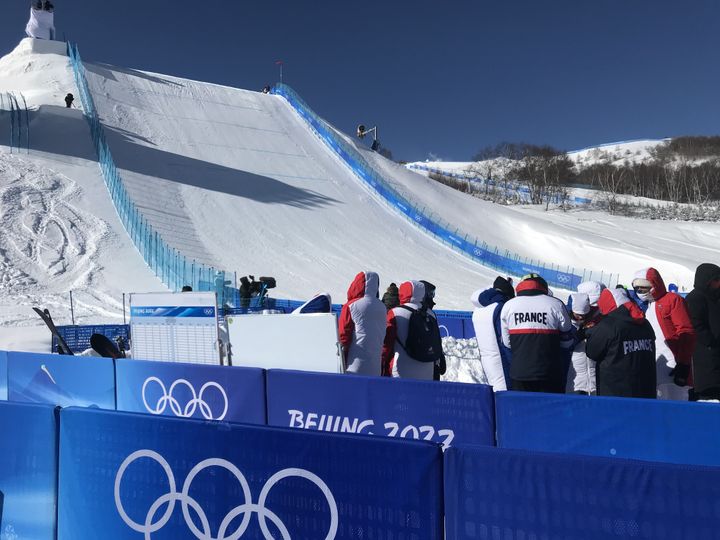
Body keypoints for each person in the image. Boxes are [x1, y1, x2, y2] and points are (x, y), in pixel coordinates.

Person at [499, 273, 573, 393]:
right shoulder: (556, 304)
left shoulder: (509, 306)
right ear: (543, 286)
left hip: (519, 373)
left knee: (523, 411)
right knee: (551, 411)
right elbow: (567, 342)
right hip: (549, 373)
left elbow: (507, 343)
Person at [631, 267, 696, 400]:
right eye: (637, 288)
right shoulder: (646, 305)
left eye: (644, 288)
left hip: (673, 365)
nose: (640, 292)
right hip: (654, 365)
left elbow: (686, 331)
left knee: (675, 407)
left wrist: (683, 364)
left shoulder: (672, 300)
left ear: (654, 285)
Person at [585, 288, 656, 398]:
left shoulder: (608, 325)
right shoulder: (645, 323)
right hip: (645, 390)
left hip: (615, 391)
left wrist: (591, 333)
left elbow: (592, 352)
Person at [382, 281, 442, 380]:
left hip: (400, 370)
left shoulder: (395, 312)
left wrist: (382, 363)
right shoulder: (430, 314)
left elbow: (386, 344)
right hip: (427, 371)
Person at [338, 271, 387, 376]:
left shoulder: (351, 306)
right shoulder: (383, 307)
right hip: (375, 366)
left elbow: (343, 337)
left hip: (354, 365)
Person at [470, 276, 514, 391]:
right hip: (503, 363)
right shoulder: (501, 307)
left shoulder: (479, 308)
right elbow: (506, 340)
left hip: (487, 362)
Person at [685, 263, 720, 402]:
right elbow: (695, 323)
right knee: (709, 394)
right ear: (707, 281)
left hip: (715, 353)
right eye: (716, 280)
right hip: (705, 355)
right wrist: (711, 342)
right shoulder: (696, 298)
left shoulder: (715, 297)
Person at [565, 292, 600, 394]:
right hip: (574, 377)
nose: (580, 318)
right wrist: (580, 334)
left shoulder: (595, 318)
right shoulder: (565, 322)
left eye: (584, 315)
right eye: (578, 315)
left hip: (592, 378)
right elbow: (567, 345)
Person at [419, 280, 446, 381]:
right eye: (431, 294)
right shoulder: (428, 313)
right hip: (426, 362)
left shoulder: (430, 312)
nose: (432, 297)